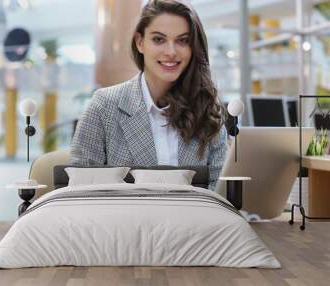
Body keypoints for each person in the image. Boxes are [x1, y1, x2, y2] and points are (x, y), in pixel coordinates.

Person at [69, 0, 227, 191]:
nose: (171, 51)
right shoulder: (104, 105)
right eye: (159, 39)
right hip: (122, 220)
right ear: (140, 42)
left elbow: (220, 192)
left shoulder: (206, 108)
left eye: (182, 40)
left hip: (195, 219)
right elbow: (79, 191)